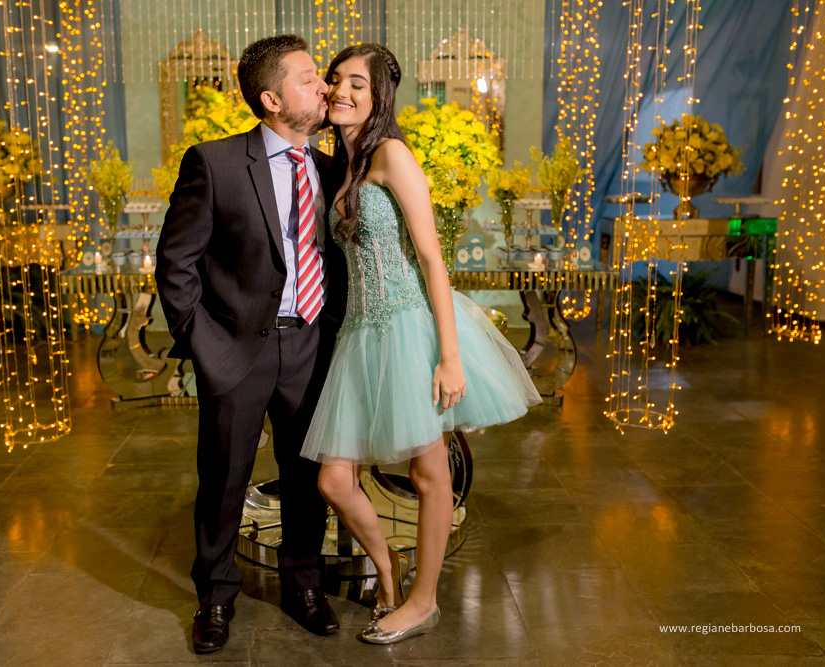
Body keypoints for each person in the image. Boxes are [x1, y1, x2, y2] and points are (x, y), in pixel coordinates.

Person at [300, 43, 542, 645]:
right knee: (334, 480)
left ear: (381, 96)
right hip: (360, 333)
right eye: (335, 81)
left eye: (358, 83)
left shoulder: (392, 154)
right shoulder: (347, 164)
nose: (342, 91)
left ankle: (423, 601)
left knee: (430, 474)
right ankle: (388, 570)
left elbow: (433, 258)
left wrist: (450, 355)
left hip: (410, 326)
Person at [156, 35, 347, 654]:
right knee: (224, 479)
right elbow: (176, 261)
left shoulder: (329, 166)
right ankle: (214, 598)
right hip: (238, 349)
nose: (324, 88)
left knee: (306, 475)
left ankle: (303, 584)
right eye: (309, 78)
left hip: (312, 345)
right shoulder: (213, 162)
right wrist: (200, 340)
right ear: (270, 98)